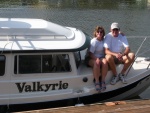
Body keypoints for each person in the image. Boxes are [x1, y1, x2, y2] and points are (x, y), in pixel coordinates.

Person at [86, 26, 108, 92]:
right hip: (91, 58)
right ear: (95, 33)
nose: (99, 33)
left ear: (103, 33)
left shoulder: (104, 40)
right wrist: (96, 59)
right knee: (97, 63)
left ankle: (103, 80)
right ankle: (97, 81)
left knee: (105, 61)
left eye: (101, 32)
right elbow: (90, 54)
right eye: (98, 32)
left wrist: (121, 33)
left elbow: (111, 34)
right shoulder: (94, 41)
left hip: (100, 57)